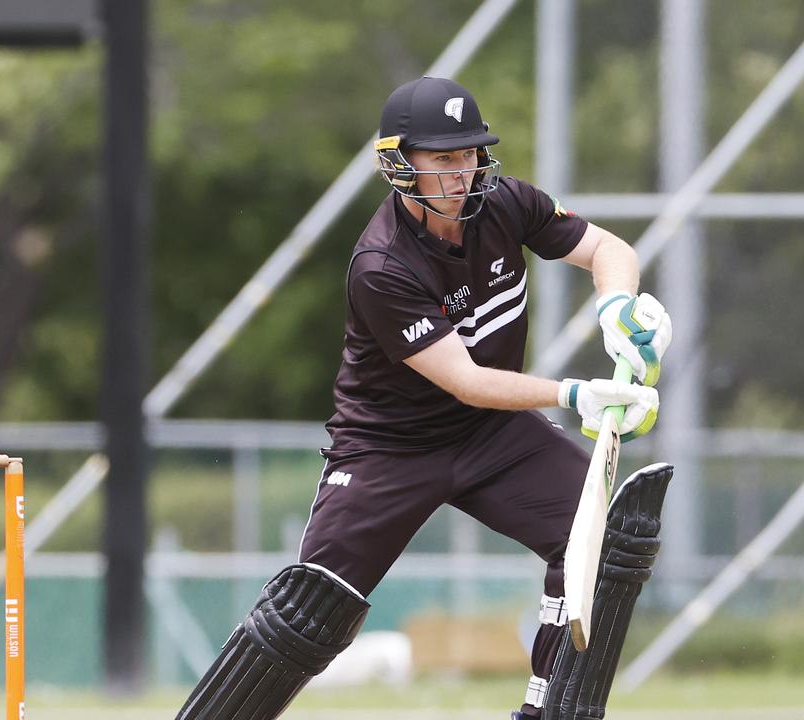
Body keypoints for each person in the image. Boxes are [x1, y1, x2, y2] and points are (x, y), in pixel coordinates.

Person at [176, 76, 675, 720]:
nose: (460, 173)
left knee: (598, 536)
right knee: (313, 607)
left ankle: (549, 709)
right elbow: (465, 378)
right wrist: (576, 392)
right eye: (442, 159)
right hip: (389, 448)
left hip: (491, 434)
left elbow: (608, 249)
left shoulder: (508, 203)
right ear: (399, 164)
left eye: (468, 155)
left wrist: (615, 307)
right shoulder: (381, 264)